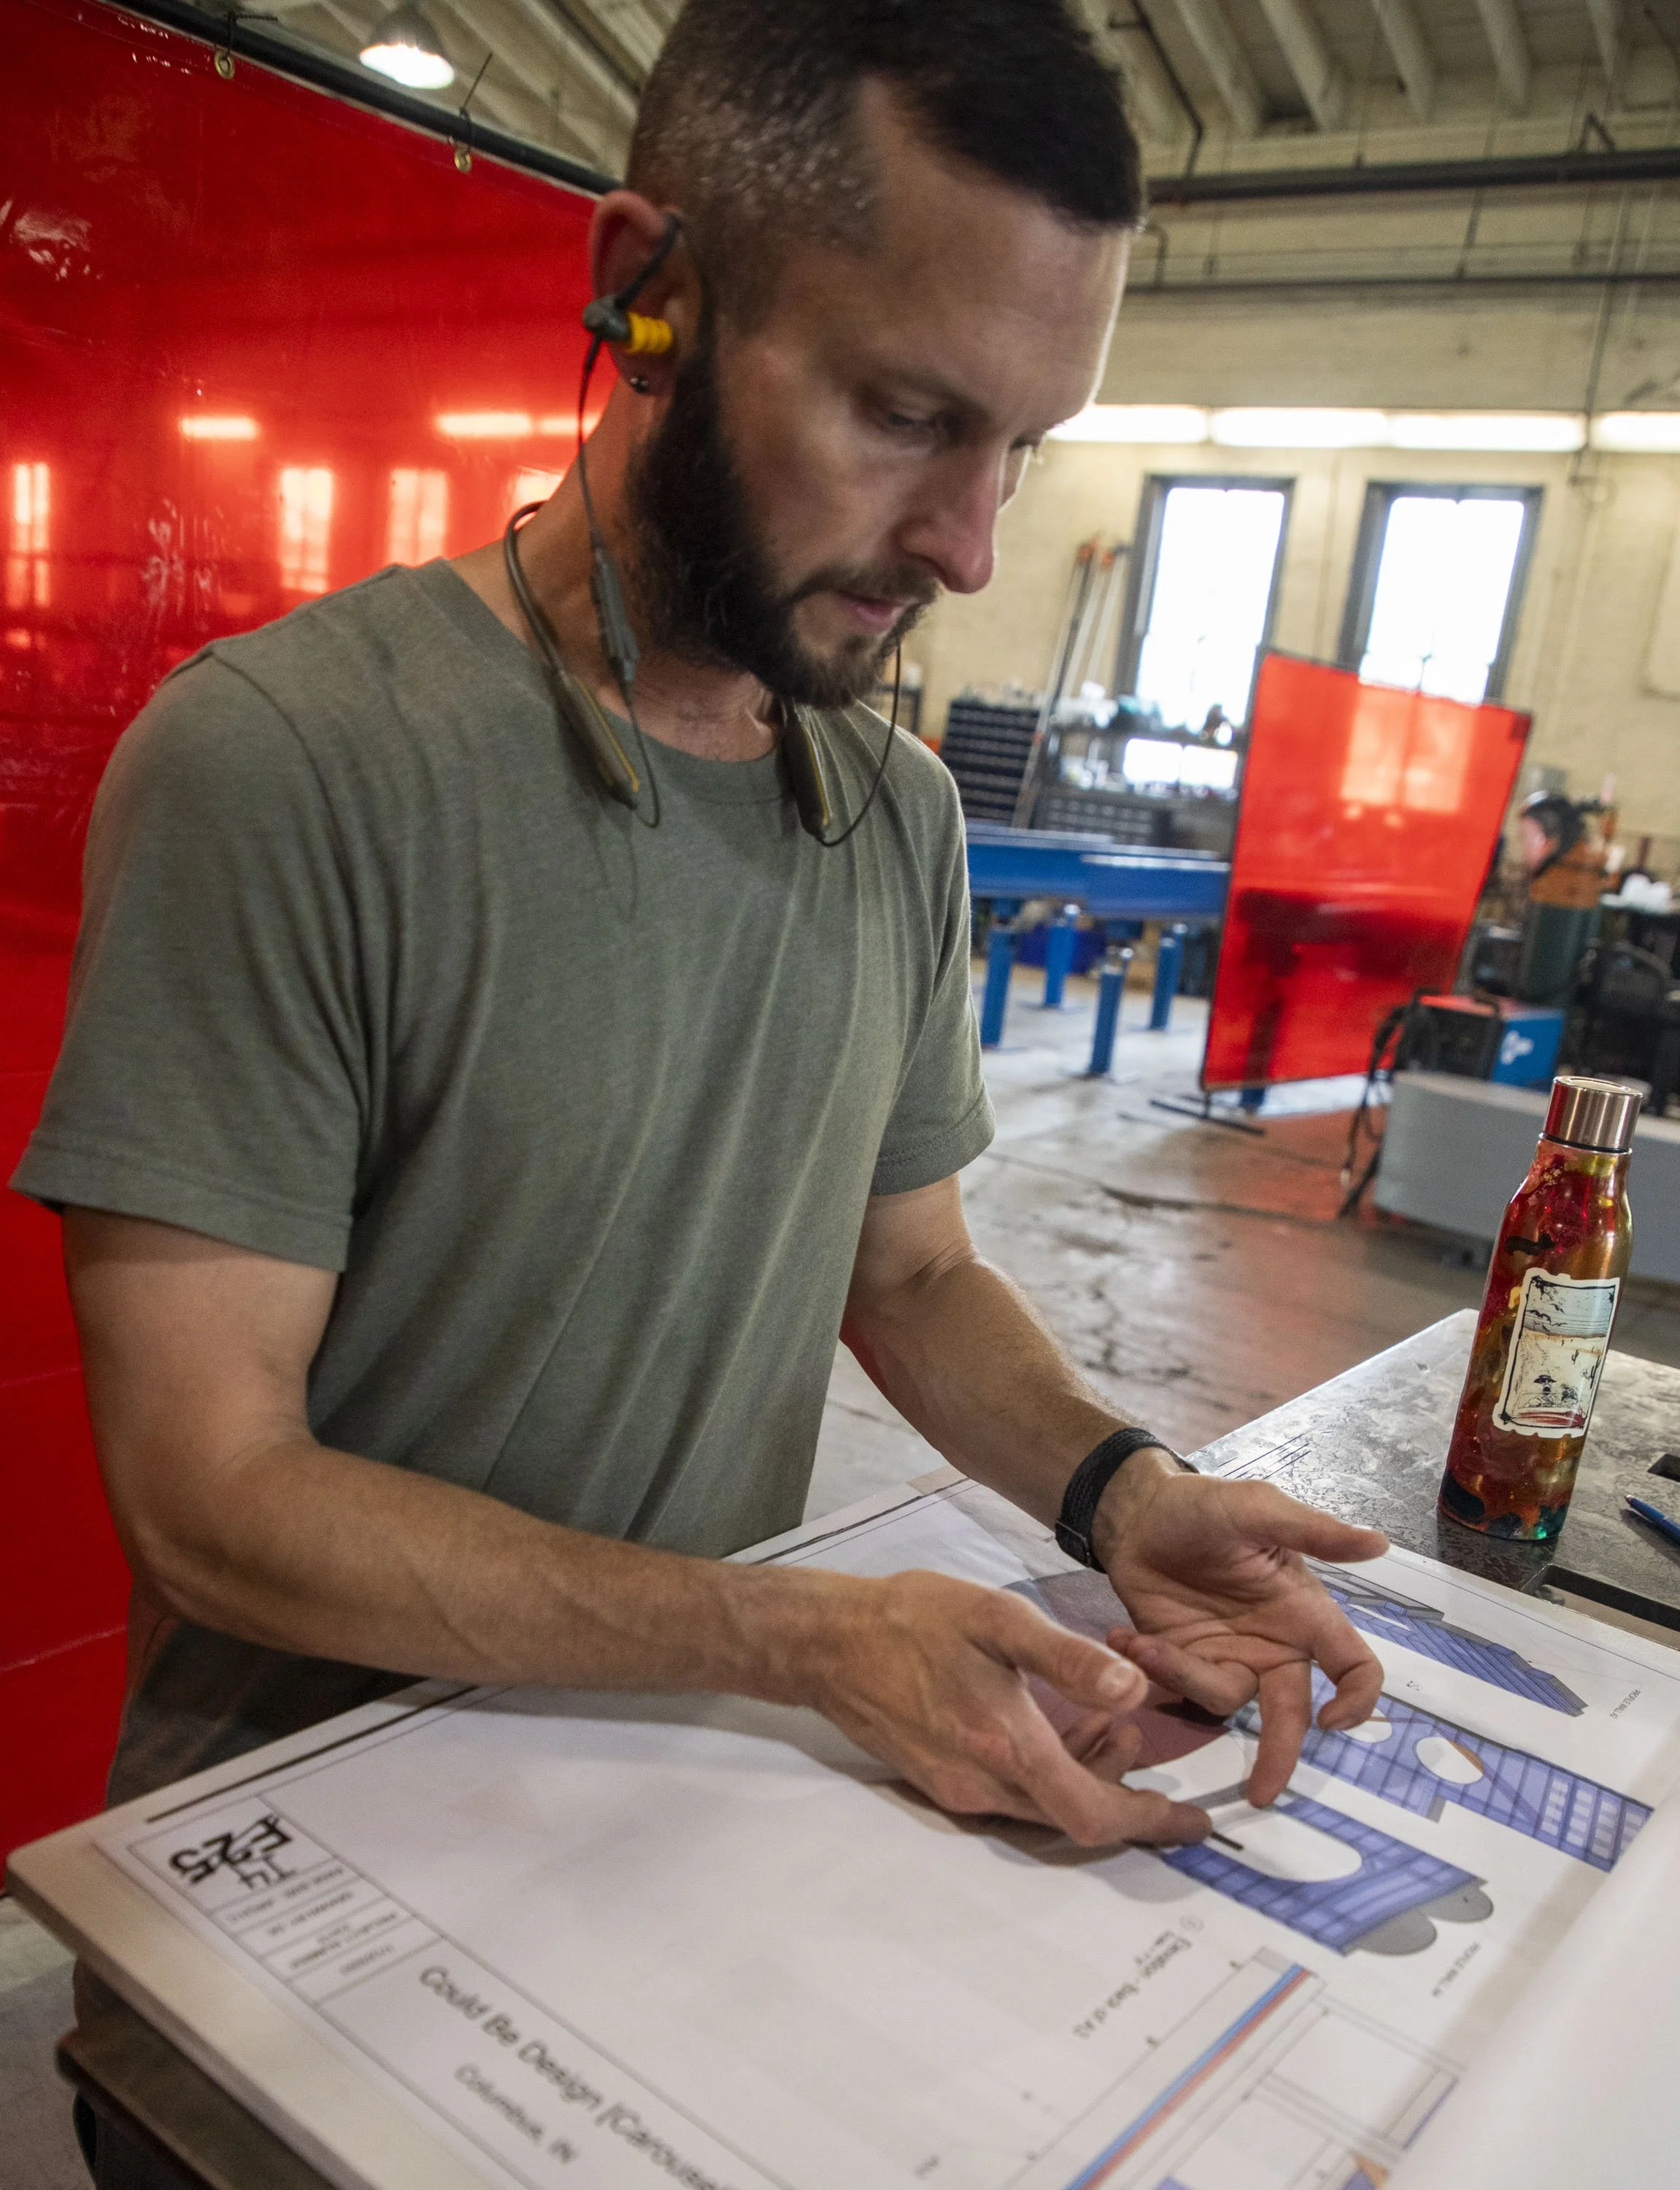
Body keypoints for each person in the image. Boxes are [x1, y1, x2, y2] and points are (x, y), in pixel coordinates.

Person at [20, 10, 1390, 2172]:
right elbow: (209, 1489)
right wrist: (798, 1638)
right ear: (646, 287)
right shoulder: (291, 770)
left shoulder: (894, 817)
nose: (967, 544)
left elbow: (916, 1273)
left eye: (1021, 444)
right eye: (905, 413)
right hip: (308, 1952)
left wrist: (1128, 1494)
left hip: (687, 1867)